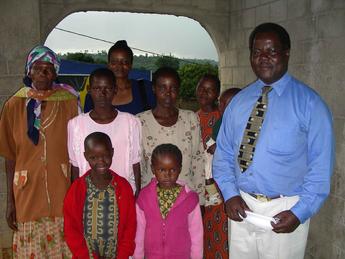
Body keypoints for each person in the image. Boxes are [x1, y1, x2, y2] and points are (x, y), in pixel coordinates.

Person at [213, 22, 334, 259]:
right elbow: (224, 154)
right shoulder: (238, 102)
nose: (263, 58)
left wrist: (300, 212)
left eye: (272, 51)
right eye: (257, 52)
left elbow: (320, 168)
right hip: (242, 206)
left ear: (286, 53)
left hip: (285, 209)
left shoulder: (310, 105)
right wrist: (230, 194)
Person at [0, 45, 79, 258]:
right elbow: (9, 156)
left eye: (48, 69)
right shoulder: (14, 105)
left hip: (62, 192)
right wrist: (10, 202)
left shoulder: (70, 103)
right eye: (37, 68)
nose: (43, 74)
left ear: (55, 73)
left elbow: (79, 152)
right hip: (26, 194)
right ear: (28, 71)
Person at [137, 66, 205, 204]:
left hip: (186, 199)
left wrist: (200, 200)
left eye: (173, 88)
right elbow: (136, 165)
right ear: (154, 89)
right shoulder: (140, 121)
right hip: (151, 202)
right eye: (162, 88)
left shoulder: (190, 119)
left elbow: (198, 160)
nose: (168, 93)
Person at [68, 68, 142, 194]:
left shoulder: (131, 122)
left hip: (123, 194)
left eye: (107, 88)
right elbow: (75, 167)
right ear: (89, 90)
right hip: (88, 195)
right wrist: (77, 195)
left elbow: (136, 163)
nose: (102, 93)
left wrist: (136, 195)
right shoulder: (75, 124)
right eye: (97, 88)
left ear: (115, 90)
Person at [64, 132, 136, 258]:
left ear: (112, 152)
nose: (101, 161)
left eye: (105, 156)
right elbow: (71, 229)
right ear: (86, 156)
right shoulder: (77, 189)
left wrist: (123, 254)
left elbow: (130, 226)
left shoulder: (123, 187)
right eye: (94, 157)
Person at [134, 144, 203, 259]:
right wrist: (138, 256)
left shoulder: (190, 199)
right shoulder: (144, 197)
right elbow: (139, 232)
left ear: (180, 169)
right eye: (162, 170)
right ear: (153, 169)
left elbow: (197, 234)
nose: (168, 175)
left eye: (173, 169)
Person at [195, 74, 228, 258]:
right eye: (201, 87)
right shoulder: (191, 118)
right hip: (198, 184)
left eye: (210, 89)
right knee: (200, 229)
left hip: (219, 186)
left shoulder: (223, 118)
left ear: (217, 94)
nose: (204, 93)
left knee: (219, 228)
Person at [84, 40, 156, 114]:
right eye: (114, 62)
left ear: (131, 65)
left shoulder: (145, 88)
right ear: (108, 65)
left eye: (124, 62)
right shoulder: (95, 93)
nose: (119, 66)